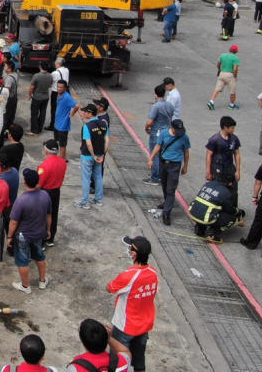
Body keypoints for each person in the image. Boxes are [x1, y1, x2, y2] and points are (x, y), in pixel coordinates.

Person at [107, 236, 158, 372]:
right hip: (144, 325)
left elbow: (110, 288)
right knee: (139, 361)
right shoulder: (153, 273)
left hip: (125, 326)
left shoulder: (128, 276)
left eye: (130, 248)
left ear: (134, 254)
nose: (128, 250)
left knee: (117, 362)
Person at [7, 168, 51, 294]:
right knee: (39, 257)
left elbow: (14, 222)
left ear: (25, 182)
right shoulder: (45, 195)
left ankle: (26, 286)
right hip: (39, 233)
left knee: (23, 261)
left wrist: (9, 237)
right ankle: (42, 281)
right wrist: (48, 230)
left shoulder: (21, 201)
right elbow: (48, 215)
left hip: (23, 235)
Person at [147, 119, 190, 226]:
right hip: (163, 163)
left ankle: (167, 213)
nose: (179, 132)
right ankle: (167, 203)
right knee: (165, 185)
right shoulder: (164, 134)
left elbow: (186, 152)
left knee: (171, 189)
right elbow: (158, 146)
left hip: (175, 165)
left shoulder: (184, 137)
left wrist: (185, 166)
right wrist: (151, 158)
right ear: (171, 127)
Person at [67, 318, 131, 372]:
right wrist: (109, 339)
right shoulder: (122, 363)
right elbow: (125, 351)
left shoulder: (75, 368)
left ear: (84, 344)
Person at [188, 178, 241, 243]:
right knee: (231, 219)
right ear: (230, 183)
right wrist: (237, 212)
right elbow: (229, 209)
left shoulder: (208, 184)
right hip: (205, 218)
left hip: (193, 213)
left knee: (207, 208)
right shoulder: (225, 191)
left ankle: (200, 228)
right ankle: (212, 233)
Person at [205, 115, 242, 206]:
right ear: (225, 127)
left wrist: (238, 171)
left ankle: (233, 210)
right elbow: (209, 155)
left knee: (233, 190)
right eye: (232, 128)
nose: (234, 130)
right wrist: (208, 172)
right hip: (217, 169)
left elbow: (237, 154)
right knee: (218, 190)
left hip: (229, 168)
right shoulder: (214, 140)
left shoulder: (234, 139)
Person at [77, 104, 108, 209]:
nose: (84, 113)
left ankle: (85, 202)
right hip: (100, 155)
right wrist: (103, 154)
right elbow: (107, 141)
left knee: (86, 178)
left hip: (88, 156)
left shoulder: (87, 126)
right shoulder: (104, 124)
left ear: (90, 114)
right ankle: (98, 200)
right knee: (98, 177)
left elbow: (88, 143)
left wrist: (93, 155)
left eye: (85, 112)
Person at [37, 138, 67, 247]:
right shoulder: (63, 162)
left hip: (45, 192)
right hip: (56, 192)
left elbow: (39, 184)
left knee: (43, 216)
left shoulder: (44, 166)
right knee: (53, 214)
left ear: (46, 151)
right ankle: (51, 239)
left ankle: (41, 242)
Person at [142, 84, 173, 185]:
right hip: (167, 132)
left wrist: (146, 128)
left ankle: (155, 177)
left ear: (155, 94)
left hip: (157, 133)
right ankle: (160, 175)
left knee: (154, 155)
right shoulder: (170, 105)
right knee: (162, 155)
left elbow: (150, 122)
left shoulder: (155, 106)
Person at [51, 80, 79, 159]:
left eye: (61, 87)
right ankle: (62, 157)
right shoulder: (59, 95)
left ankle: (62, 160)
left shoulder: (67, 97)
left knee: (62, 144)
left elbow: (76, 106)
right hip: (57, 123)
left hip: (63, 125)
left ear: (65, 88)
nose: (59, 88)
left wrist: (71, 114)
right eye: (58, 86)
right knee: (57, 141)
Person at [207, 45, 240, 111]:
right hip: (230, 75)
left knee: (217, 89)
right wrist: (235, 76)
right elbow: (235, 69)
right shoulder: (236, 58)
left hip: (222, 73)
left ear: (229, 49)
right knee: (232, 90)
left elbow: (218, 64)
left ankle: (211, 101)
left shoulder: (222, 55)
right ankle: (231, 105)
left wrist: (219, 69)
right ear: (236, 51)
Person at [46, 57, 69, 131]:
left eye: (55, 63)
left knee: (54, 110)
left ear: (58, 64)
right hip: (65, 92)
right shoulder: (66, 70)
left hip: (56, 93)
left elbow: (50, 83)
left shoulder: (55, 73)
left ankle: (53, 125)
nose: (54, 64)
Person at [28, 63, 52, 135]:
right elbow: (50, 85)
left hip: (37, 97)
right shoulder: (50, 75)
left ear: (40, 67)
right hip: (46, 97)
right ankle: (39, 128)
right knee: (43, 113)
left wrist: (30, 94)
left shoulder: (36, 76)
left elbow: (32, 87)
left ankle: (34, 130)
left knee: (34, 114)